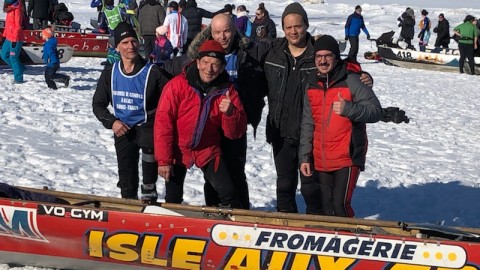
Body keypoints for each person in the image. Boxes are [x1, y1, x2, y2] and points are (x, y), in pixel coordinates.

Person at [263, 3, 373, 213]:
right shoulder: (273, 54)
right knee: (284, 187)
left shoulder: (319, 54)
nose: (293, 31)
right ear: (282, 29)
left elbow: (346, 69)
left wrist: (365, 77)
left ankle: (315, 233)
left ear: (306, 25)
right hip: (281, 133)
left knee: (312, 191)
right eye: (288, 27)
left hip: (314, 136)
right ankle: (286, 232)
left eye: (298, 26)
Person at [161, 13, 271, 210]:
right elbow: (165, 72)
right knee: (207, 184)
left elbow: (274, 48)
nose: (223, 36)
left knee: (234, 178)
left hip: (228, 126)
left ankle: (240, 216)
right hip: (198, 136)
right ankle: (211, 215)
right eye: (217, 32)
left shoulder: (248, 51)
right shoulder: (197, 56)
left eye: (227, 31)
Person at [154, 40, 247, 208]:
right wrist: (164, 160)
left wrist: (231, 113)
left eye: (215, 64)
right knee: (173, 198)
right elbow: (163, 124)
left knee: (228, 192)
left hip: (207, 148)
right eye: (205, 62)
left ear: (222, 66)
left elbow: (235, 133)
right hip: (178, 149)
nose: (209, 69)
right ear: (197, 63)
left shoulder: (227, 91)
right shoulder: (177, 86)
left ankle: (226, 226)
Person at [299, 35, 383, 217]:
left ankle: (348, 241)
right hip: (321, 158)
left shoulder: (351, 80)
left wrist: (349, 109)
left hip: (347, 156)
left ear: (336, 57)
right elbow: (307, 123)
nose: (323, 61)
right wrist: (305, 157)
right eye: (319, 56)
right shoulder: (311, 84)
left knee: (340, 205)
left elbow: (376, 111)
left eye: (328, 56)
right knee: (326, 207)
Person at [92, 22, 170, 201]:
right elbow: (98, 104)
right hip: (123, 129)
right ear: (117, 47)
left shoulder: (153, 72)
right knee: (127, 180)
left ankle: (149, 200)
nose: (130, 47)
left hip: (148, 128)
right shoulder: (110, 73)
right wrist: (112, 122)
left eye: (133, 41)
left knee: (149, 183)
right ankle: (128, 207)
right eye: (125, 42)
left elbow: (171, 99)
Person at [1, 0, 26, 84]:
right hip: (8, 36)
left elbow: (17, 26)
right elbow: (8, 25)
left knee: (13, 57)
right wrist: (4, 36)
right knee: (3, 54)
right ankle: (20, 68)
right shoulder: (10, 9)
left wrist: (15, 39)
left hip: (16, 38)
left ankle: (18, 79)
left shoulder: (17, 9)